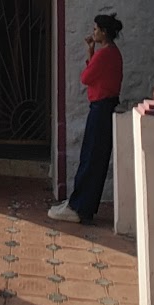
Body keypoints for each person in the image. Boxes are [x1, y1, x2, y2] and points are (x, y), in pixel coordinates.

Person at [48, 13, 124, 225]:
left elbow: (86, 78)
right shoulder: (113, 54)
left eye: (96, 29)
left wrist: (91, 54)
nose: (94, 32)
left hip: (100, 109)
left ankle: (78, 207)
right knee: (95, 159)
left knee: (90, 158)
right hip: (106, 108)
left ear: (104, 32)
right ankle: (81, 205)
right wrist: (91, 51)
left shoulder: (104, 55)